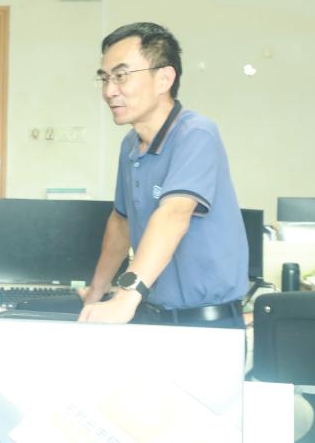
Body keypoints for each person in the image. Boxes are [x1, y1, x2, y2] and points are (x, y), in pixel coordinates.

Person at [79, 22, 248, 328]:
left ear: (164, 79)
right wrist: (97, 290)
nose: (109, 91)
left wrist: (125, 298)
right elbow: (121, 222)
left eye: (121, 76)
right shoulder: (131, 145)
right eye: (104, 78)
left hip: (205, 323)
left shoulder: (196, 134)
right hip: (154, 315)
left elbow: (173, 215)